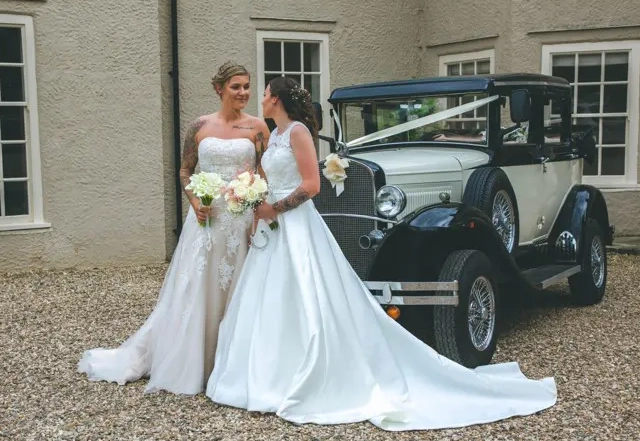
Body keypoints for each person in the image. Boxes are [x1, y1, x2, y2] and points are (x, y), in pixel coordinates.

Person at [205, 76, 557, 431]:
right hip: (273, 227)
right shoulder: (276, 135)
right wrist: (252, 197)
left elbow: (312, 186)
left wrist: (274, 209)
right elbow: (272, 177)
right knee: (270, 298)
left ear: (277, 100)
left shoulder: (296, 132)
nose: (259, 99)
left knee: (308, 296)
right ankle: (264, 373)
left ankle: (315, 372)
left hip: (291, 221)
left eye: (264, 94)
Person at [78, 61, 270, 395]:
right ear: (219, 89)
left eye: (247, 86)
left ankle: (233, 365)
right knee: (196, 289)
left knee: (240, 288)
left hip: (241, 223)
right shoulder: (200, 126)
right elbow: (185, 171)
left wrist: (258, 217)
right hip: (206, 222)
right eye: (236, 86)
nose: (243, 93)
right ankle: (193, 362)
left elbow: (265, 176)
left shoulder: (257, 129)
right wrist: (196, 204)